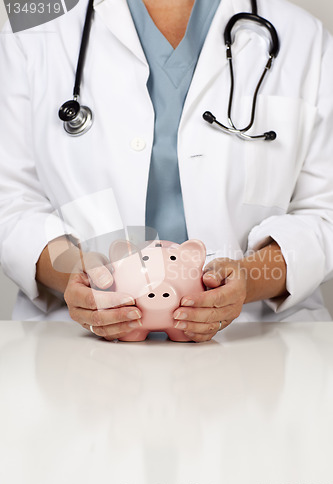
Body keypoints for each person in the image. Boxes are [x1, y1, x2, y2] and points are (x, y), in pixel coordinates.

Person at [0, 0, 333, 342]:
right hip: (76, 351)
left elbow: (324, 213)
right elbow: (12, 202)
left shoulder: (303, 36)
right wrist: (75, 276)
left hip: (258, 341)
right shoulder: (34, 26)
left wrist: (247, 280)